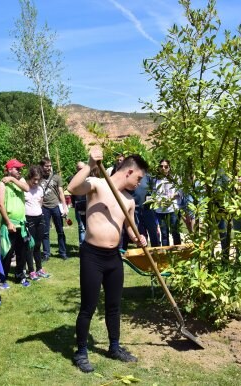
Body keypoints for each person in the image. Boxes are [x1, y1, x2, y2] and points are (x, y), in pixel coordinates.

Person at [68, 147, 148, 373]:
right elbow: (73, 188)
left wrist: (138, 238)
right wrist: (90, 162)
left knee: (114, 306)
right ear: (129, 171)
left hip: (114, 258)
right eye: (138, 178)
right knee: (88, 307)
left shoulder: (128, 200)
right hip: (92, 256)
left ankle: (114, 347)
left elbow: (130, 230)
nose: (138, 184)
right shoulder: (98, 185)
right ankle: (81, 351)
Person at [0, 159, 31, 287]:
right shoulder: (2, 184)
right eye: (17, 168)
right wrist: (8, 222)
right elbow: (0, 204)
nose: (20, 170)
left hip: (21, 224)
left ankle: (20, 276)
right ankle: (2, 279)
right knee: (7, 253)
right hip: (9, 225)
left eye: (20, 168)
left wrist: (12, 180)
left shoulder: (19, 181)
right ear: (10, 169)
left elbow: (27, 188)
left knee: (22, 253)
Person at [39, 157, 69, 260]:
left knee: (60, 230)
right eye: (47, 166)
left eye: (50, 166)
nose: (49, 168)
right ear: (42, 166)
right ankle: (46, 254)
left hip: (56, 206)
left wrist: (64, 207)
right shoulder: (38, 178)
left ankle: (63, 252)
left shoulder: (56, 178)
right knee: (45, 232)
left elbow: (61, 193)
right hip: (44, 208)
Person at [24, 166, 50, 281]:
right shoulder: (24, 189)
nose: (36, 182)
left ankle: (39, 269)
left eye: (38, 179)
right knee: (30, 246)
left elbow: (40, 202)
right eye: (34, 179)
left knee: (38, 245)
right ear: (29, 177)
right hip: (29, 220)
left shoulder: (40, 189)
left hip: (40, 219)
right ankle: (31, 271)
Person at [154, 159, 182, 246]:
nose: (163, 168)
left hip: (173, 210)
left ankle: (178, 254)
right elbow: (153, 194)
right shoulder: (155, 179)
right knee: (164, 234)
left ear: (169, 168)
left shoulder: (175, 178)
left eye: (166, 166)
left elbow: (180, 192)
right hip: (160, 210)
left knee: (175, 232)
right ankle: (166, 255)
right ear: (158, 168)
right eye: (161, 166)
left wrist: (172, 198)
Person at [69, 162, 88, 245]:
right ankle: (82, 246)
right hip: (79, 206)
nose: (81, 170)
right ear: (76, 169)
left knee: (91, 227)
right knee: (82, 227)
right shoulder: (73, 179)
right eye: (79, 169)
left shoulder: (90, 178)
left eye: (83, 168)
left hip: (89, 206)